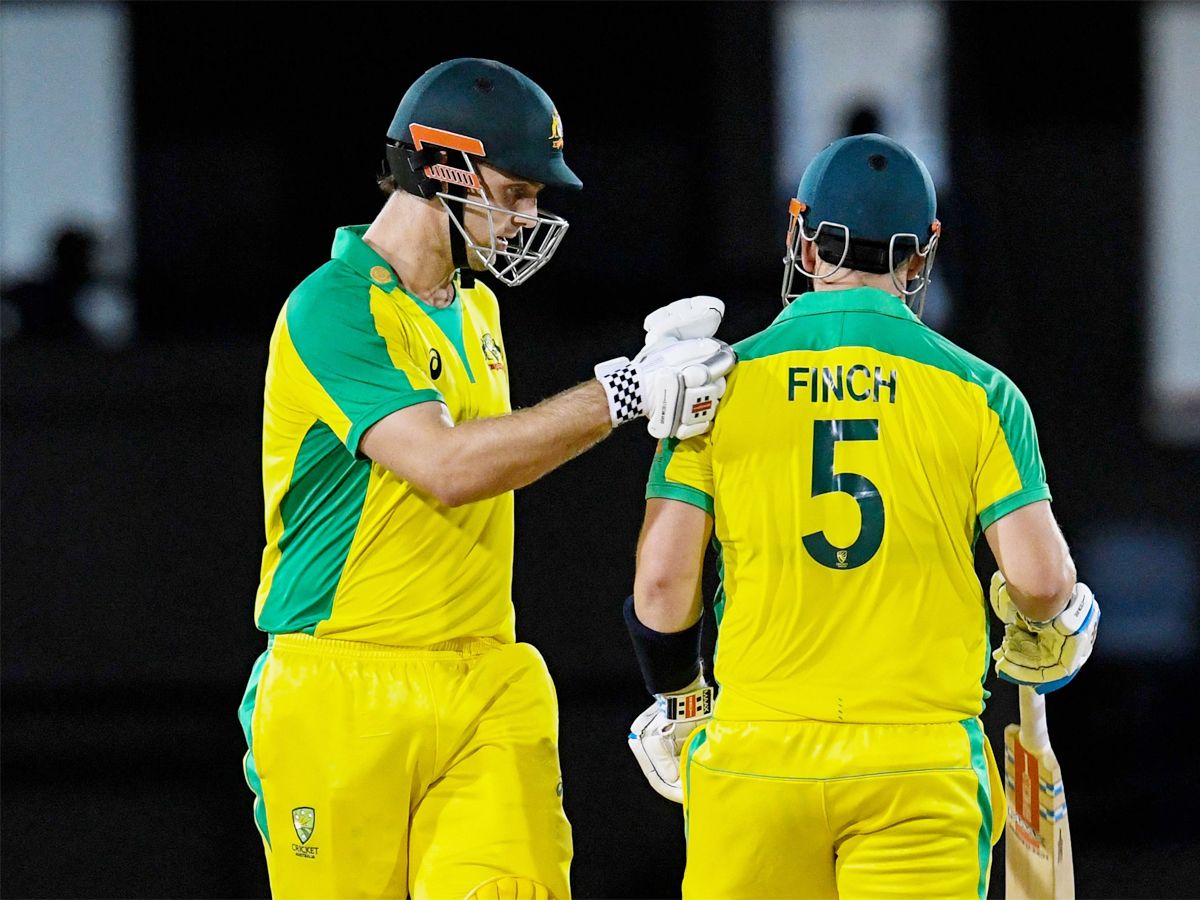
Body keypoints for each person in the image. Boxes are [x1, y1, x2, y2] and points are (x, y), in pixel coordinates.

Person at [237, 58, 733, 900]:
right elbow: (447, 468)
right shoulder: (332, 307)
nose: (528, 217)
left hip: (485, 676)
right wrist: (625, 391)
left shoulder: (477, 309)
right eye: (515, 192)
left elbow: (496, 457)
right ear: (441, 167)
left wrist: (649, 389)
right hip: (338, 691)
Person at [623, 133, 1100, 899]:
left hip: (756, 758)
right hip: (919, 767)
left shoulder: (716, 384)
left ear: (800, 236)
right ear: (923, 254)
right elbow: (1042, 582)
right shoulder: (981, 392)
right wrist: (1047, 622)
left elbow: (661, 589)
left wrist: (681, 702)